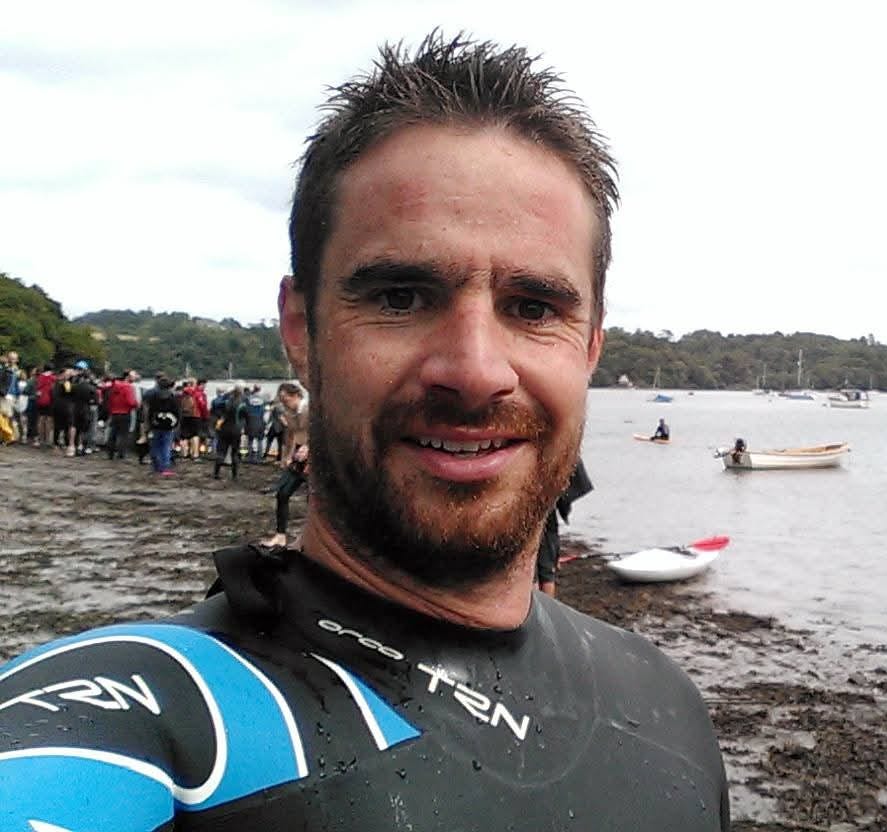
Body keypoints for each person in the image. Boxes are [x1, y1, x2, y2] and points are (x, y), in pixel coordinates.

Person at [0, 34, 728, 829]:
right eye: (401, 296)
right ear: (300, 327)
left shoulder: (669, 713)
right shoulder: (138, 726)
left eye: (533, 307)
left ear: (589, 346)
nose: (475, 370)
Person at [535, 460, 594, 597]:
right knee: (545, 571)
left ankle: (541, 606)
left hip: (538, 503)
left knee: (536, 573)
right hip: (545, 501)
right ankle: (544, 606)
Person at [262, 442, 309, 548]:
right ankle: (280, 536)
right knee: (282, 494)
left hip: (321, 459)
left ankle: (312, 539)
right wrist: (293, 453)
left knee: (314, 501)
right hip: (303, 458)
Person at [141, 375, 181, 475]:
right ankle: (165, 467)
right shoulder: (173, 397)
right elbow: (177, 412)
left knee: (155, 446)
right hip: (169, 425)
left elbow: (149, 411)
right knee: (166, 446)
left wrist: (148, 424)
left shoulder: (153, 396)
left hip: (155, 424)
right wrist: (176, 423)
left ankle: (156, 466)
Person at [213, 386, 248, 480]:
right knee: (235, 453)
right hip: (236, 430)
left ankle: (216, 473)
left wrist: (226, 395)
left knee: (221, 451)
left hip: (224, 429)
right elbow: (246, 417)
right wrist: (245, 429)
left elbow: (215, 406)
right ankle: (234, 475)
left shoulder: (226, 402)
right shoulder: (242, 405)